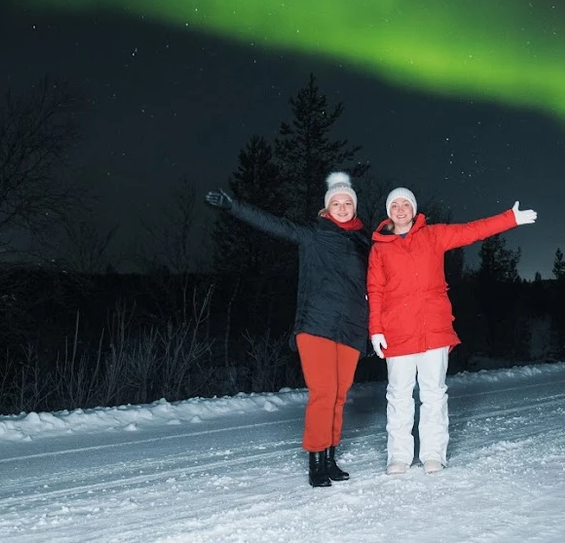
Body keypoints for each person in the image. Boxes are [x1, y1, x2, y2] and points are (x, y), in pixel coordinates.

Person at [205, 171, 370, 488]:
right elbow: (274, 224)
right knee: (323, 394)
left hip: (350, 327)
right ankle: (316, 463)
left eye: (347, 202)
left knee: (338, 397)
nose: (343, 206)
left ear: (354, 206)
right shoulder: (313, 234)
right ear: (327, 208)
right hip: (317, 324)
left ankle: (330, 457)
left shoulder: (363, 241)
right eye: (336, 202)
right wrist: (234, 206)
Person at [368, 187, 537, 475]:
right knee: (398, 395)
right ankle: (399, 456)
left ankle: (433, 453)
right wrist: (376, 330)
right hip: (397, 332)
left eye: (405, 204)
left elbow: (472, 231)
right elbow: (375, 290)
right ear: (388, 212)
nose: (400, 209)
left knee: (434, 393)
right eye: (394, 205)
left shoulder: (433, 235)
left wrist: (510, 218)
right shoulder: (380, 248)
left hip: (433, 329)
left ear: (413, 209)